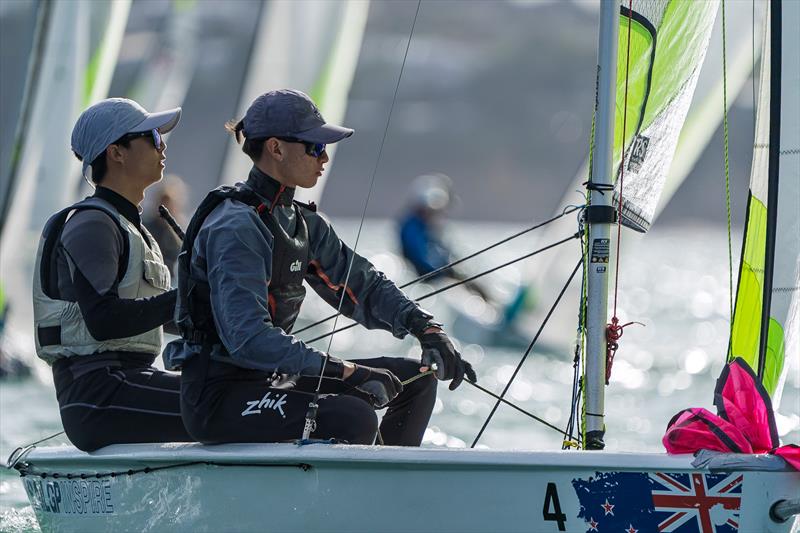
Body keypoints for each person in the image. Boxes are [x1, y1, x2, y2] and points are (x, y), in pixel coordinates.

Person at [165, 89, 476, 446]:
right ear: (276, 148)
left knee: (416, 379)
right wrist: (347, 371)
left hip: (274, 379)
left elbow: (364, 285)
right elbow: (249, 340)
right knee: (352, 416)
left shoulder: (302, 223)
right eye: (314, 147)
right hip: (218, 398)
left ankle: (391, 493)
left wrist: (428, 329)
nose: (324, 157)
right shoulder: (235, 226)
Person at [32, 98, 192, 451]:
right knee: (231, 402)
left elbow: (148, 314)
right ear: (116, 152)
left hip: (128, 383)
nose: (161, 145)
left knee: (248, 389)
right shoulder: (93, 224)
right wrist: (188, 297)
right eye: (151, 135)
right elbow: (104, 321)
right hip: (99, 394)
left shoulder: (135, 229)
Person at [398, 173, 492, 301]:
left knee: (472, 280)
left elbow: (444, 252)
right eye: (432, 209)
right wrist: (446, 271)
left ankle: (493, 306)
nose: (436, 214)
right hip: (427, 282)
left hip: (438, 277)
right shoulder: (412, 227)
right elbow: (421, 260)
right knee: (466, 283)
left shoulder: (426, 226)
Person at [141, 174, 188, 278]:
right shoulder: (146, 226)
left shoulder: (179, 231)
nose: (165, 207)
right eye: (163, 201)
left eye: (168, 202)